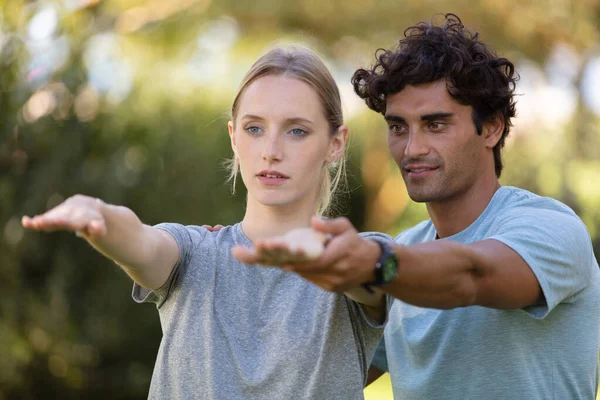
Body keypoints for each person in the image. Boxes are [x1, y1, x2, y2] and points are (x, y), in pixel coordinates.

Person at [234, 14, 600, 400]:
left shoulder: (550, 227)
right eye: (398, 127)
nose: (412, 149)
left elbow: (470, 276)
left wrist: (378, 263)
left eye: (435, 125)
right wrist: (212, 264)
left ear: (491, 127)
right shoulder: (404, 255)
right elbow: (312, 381)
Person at [21, 46, 389, 399]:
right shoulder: (193, 251)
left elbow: (378, 274)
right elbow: (142, 243)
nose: (271, 151)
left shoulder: (365, 254)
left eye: (296, 131)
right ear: (233, 137)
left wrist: (337, 261)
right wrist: (99, 215)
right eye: (254, 128)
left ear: (335, 143)